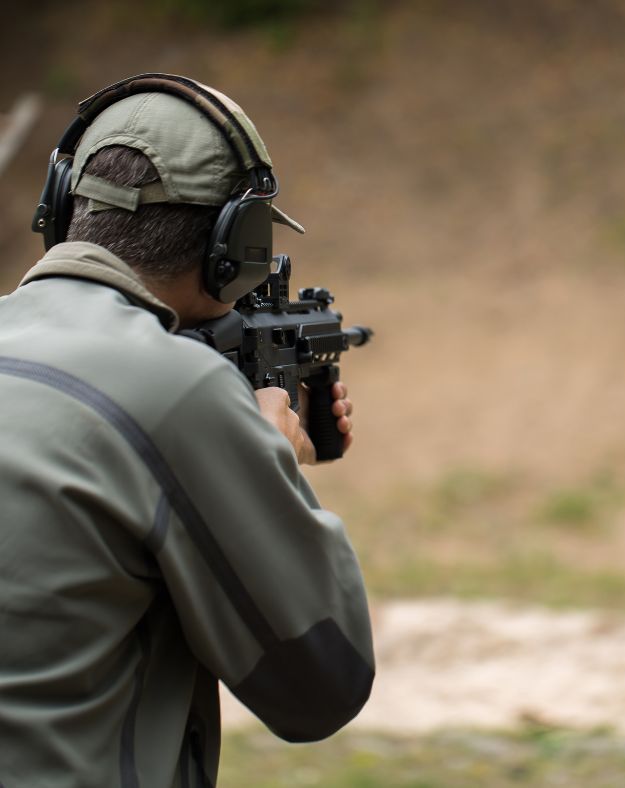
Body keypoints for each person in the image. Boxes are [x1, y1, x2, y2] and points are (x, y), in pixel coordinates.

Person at [0, 75, 374, 787]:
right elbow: (323, 685)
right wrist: (274, 469)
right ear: (236, 242)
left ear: (59, 205)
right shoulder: (179, 389)